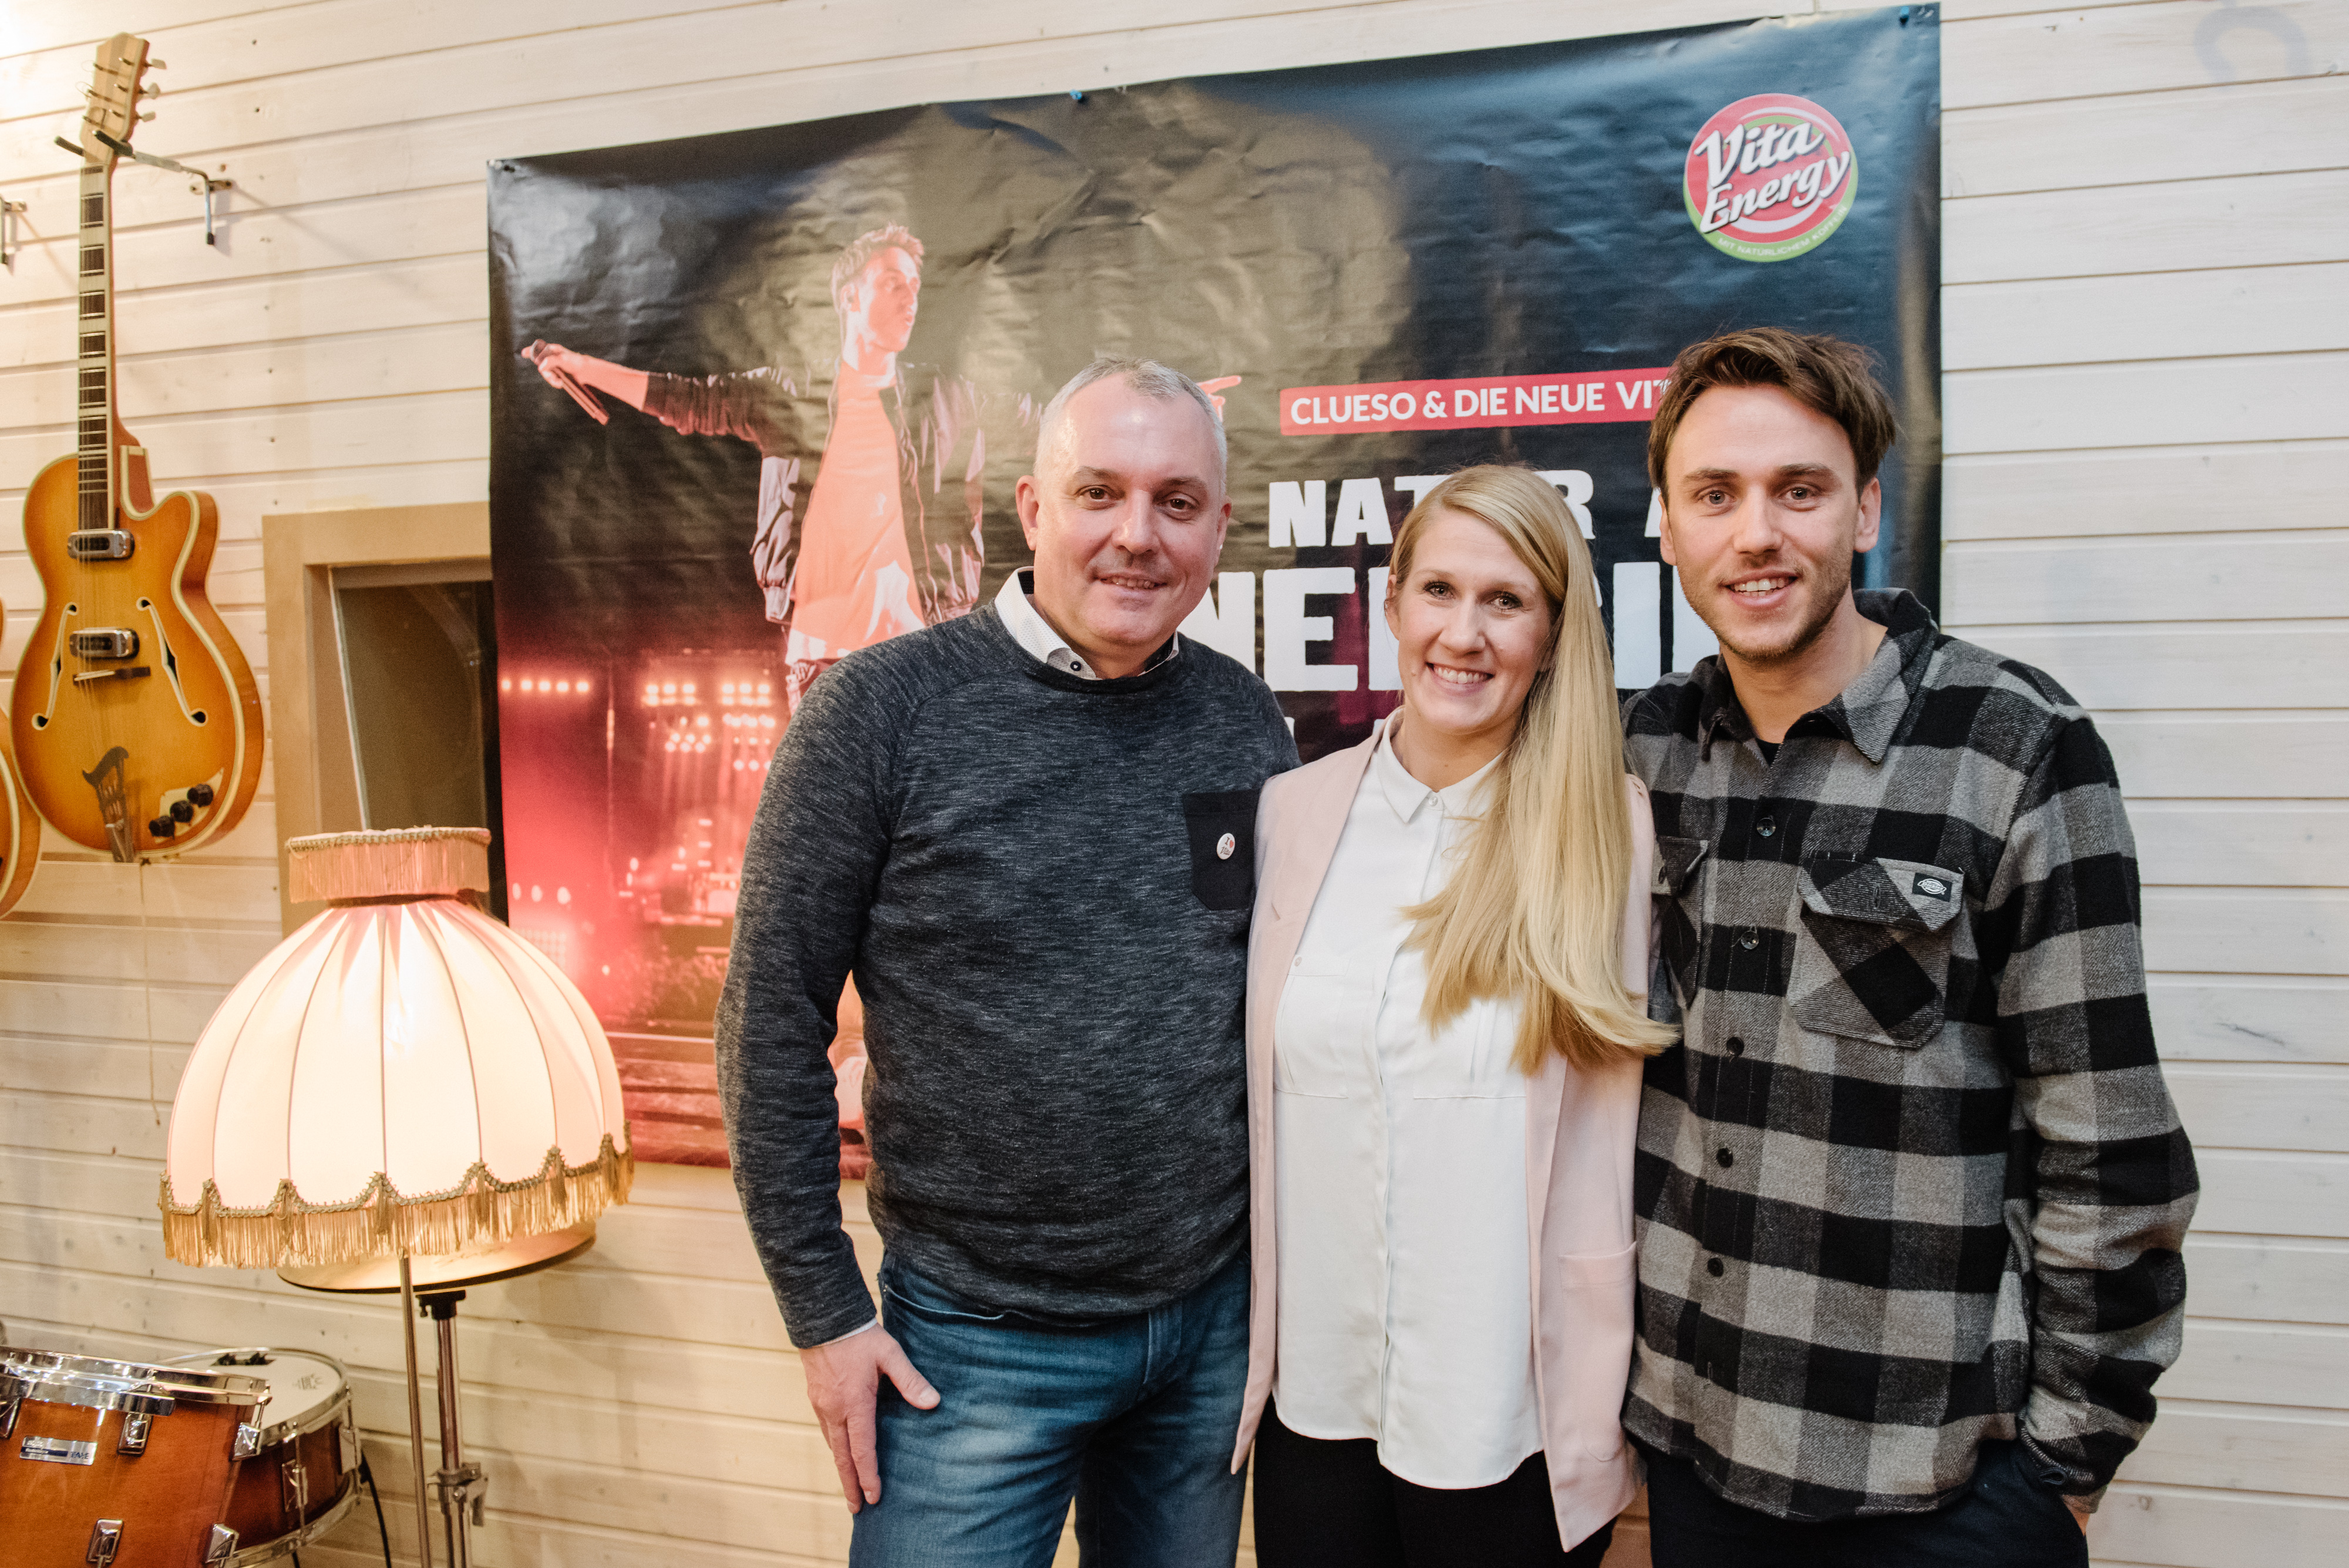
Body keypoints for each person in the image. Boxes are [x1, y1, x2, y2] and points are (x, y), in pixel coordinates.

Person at [1621, 327, 2199, 1567]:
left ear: (1866, 509)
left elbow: (2109, 1139)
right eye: (1714, 495)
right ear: (1665, 524)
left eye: (1799, 491)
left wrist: (2064, 1469)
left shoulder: (2015, 745)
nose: (1756, 534)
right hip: (1693, 1446)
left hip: (1936, 1485)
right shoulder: (1640, 754)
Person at [715, 355, 1298, 1567]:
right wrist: (824, 1315)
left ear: (1217, 528)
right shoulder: (879, 715)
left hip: (1206, 1332)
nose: (1136, 535)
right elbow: (768, 1023)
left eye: (1176, 502)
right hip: (970, 1350)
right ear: (1031, 510)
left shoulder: (1243, 717)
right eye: (1098, 493)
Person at [1234, 467, 1678, 1567]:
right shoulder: (1293, 812)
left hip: (1510, 1417)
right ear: (1391, 605)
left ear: (1553, 632)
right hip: (1314, 1399)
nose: (1464, 634)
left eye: (1506, 600)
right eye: (1438, 590)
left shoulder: (1615, 833)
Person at [526, 224, 1034, 709]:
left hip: (921, 657)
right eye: (891, 283)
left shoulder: (946, 400)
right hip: (822, 659)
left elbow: (1042, 425)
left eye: (914, 286)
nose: (910, 298)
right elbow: (688, 401)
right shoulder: (792, 396)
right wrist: (582, 367)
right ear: (851, 297)